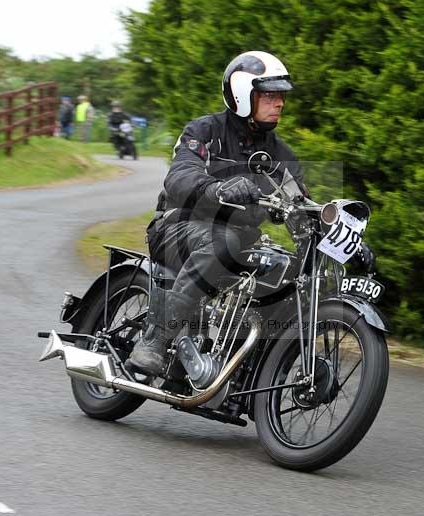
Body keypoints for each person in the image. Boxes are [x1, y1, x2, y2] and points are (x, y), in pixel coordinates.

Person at [127, 50, 307, 376]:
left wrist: (337, 232)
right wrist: (217, 190)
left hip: (238, 238)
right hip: (177, 227)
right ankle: (155, 339)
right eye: (269, 95)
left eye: (280, 95)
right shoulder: (204, 132)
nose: (279, 102)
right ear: (242, 95)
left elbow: (300, 202)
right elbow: (180, 176)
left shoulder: (280, 155)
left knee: (284, 268)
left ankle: (246, 367)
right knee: (222, 243)